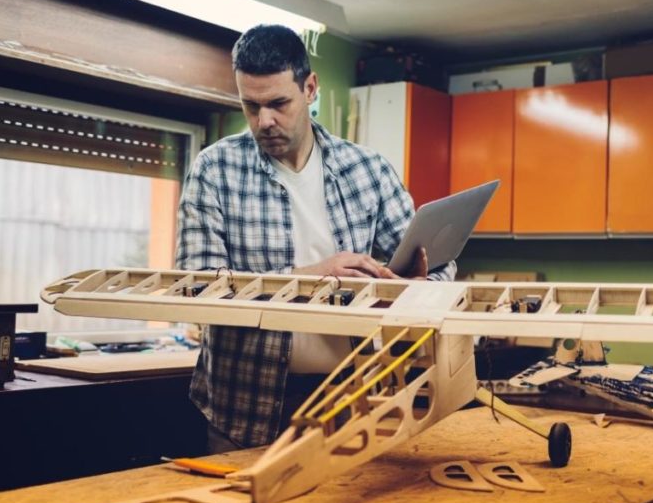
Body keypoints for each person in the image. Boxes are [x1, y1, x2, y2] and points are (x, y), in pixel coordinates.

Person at [175, 24, 456, 452]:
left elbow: (438, 263)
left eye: (278, 103)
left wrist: (416, 291)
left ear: (310, 88)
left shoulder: (368, 170)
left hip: (351, 397)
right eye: (251, 106)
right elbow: (195, 286)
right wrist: (310, 278)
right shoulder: (214, 170)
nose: (264, 121)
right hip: (243, 401)